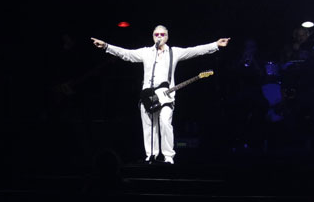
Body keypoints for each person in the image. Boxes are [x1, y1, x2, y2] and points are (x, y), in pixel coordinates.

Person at [91, 26, 229, 164]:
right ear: (153, 36)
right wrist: (106, 46)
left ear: (167, 36)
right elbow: (127, 54)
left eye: (162, 34)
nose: (159, 36)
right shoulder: (146, 52)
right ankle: (151, 155)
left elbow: (195, 50)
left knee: (164, 121)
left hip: (167, 96)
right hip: (148, 95)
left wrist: (215, 45)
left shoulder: (174, 52)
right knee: (149, 126)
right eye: (156, 34)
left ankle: (169, 157)